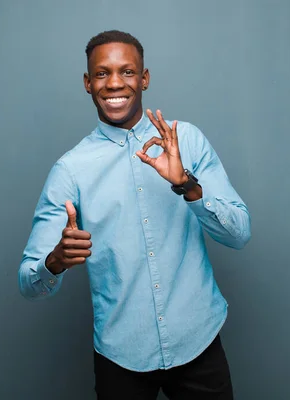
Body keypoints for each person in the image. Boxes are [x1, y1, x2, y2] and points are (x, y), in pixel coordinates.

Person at [18, 29, 251, 400]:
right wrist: (56, 261)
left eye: (127, 72)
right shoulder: (70, 170)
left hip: (198, 342)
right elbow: (28, 283)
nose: (114, 83)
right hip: (121, 356)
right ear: (87, 82)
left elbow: (240, 233)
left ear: (144, 78)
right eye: (101, 73)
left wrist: (188, 186)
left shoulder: (185, 140)